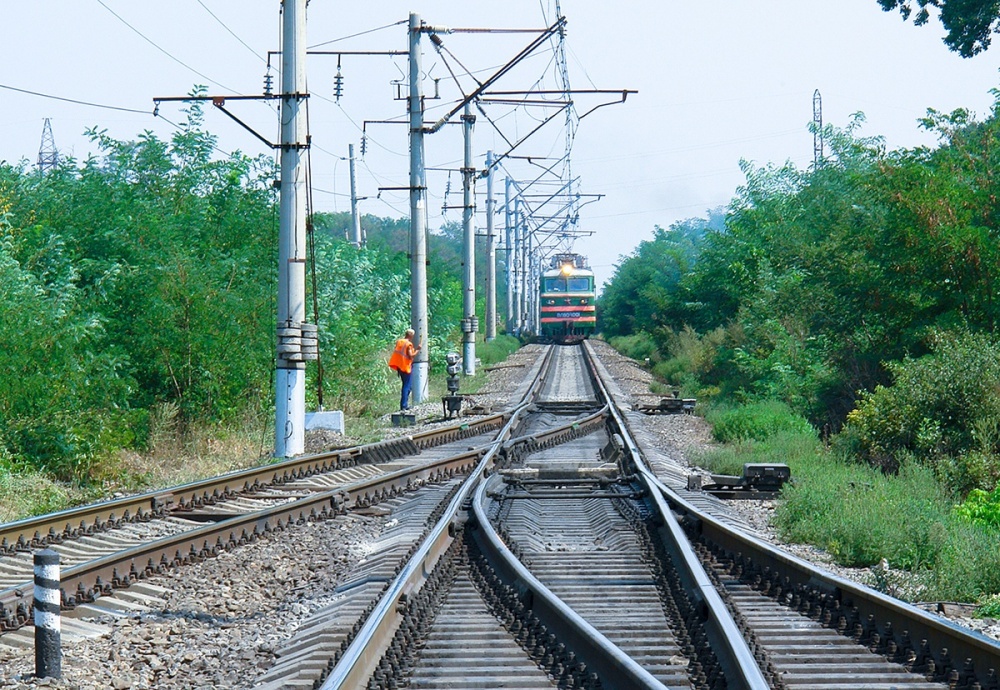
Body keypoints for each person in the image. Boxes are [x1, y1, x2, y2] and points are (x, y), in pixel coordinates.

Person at [388, 328, 422, 411]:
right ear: (411, 335)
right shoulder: (409, 344)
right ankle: (404, 405)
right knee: (407, 386)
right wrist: (417, 349)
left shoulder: (399, 341)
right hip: (405, 367)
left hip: (399, 366)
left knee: (406, 386)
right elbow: (411, 355)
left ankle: (404, 404)